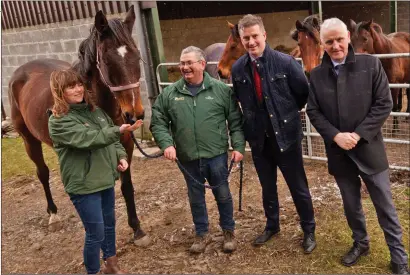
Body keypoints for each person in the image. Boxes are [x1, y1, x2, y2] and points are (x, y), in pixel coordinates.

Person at [306, 18, 409, 274]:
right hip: (339, 153)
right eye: (329, 41)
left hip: (369, 149)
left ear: (348, 38)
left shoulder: (370, 64)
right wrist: (335, 136)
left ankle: (399, 257)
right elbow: (314, 111)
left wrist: (359, 134)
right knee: (351, 204)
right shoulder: (317, 75)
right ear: (322, 44)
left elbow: (384, 103)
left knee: (384, 205)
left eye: (340, 39)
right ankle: (361, 243)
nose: (336, 45)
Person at [231, 14, 316, 253]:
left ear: (264, 35)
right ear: (241, 38)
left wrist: (285, 116)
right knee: (267, 187)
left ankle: (309, 229)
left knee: (298, 186)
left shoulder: (286, 63)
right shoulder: (238, 69)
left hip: (286, 138)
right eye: (246, 37)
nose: (251, 42)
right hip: (259, 141)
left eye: (255, 36)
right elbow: (239, 100)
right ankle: (272, 225)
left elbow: (302, 94)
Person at [150, 46, 245, 254]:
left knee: (222, 194)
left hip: (216, 156)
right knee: (196, 198)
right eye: (182, 63)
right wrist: (166, 144)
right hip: (187, 157)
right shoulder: (170, 93)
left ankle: (228, 231)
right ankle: (202, 233)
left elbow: (236, 121)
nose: (185, 67)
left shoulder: (221, 91)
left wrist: (238, 146)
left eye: (189, 62)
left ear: (202, 64)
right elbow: (158, 121)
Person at [48, 69, 143, 274]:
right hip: (84, 185)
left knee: (109, 225)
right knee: (95, 233)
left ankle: (112, 265)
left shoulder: (96, 112)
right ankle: (92, 271)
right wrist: (119, 130)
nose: (78, 89)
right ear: (59, 91)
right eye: (71, 86)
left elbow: (113, 141)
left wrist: (121, 157)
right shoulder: (58, 121)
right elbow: (90, 138)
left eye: (79, 84)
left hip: (105, 180)